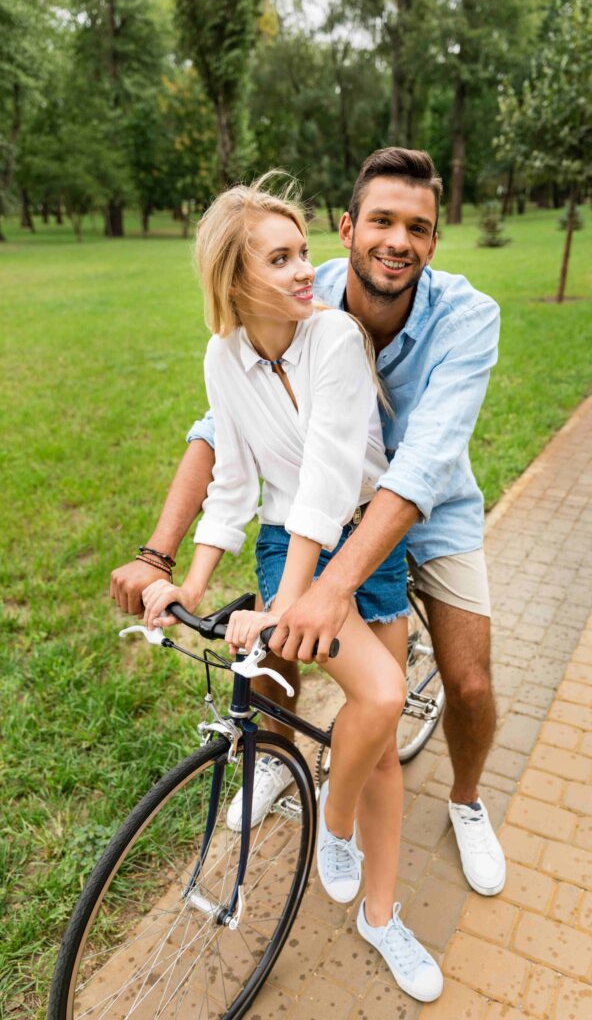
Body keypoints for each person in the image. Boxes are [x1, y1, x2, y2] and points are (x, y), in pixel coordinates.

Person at [111, 146, 506, 900]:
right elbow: (221, 441)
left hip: (428, 506)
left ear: (432, 240)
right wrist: (163, 561)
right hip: (317, 515)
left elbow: (416, 468)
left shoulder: (464, 316)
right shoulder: (300, 289)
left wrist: (322, 590)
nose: (398, 241)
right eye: (382, 221)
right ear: (348, 227)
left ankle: (465, 800)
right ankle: (277, 760)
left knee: (468, 678)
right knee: (280, 651)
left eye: (417, 228)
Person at [139, 175, 444, 1003]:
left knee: (377, 729)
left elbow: (328, 474)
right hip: (289, 542)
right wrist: (185, 581)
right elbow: (235, 484)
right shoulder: (222, 357)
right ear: (234, 279)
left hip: (361, 536)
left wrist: (289, 606)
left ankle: (345, 851)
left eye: (304, 250)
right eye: (281, 258)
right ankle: (337, 829)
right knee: (378, 703)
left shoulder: (335, 338)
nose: (307, 269)